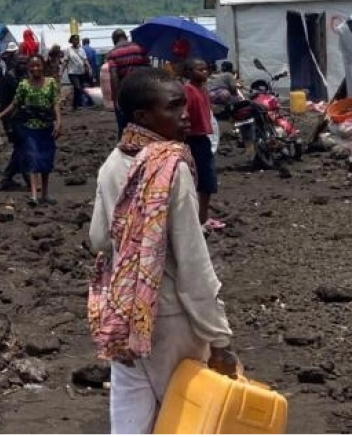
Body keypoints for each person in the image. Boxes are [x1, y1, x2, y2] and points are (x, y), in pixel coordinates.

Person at [88, 68, 237, 433]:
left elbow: (98, 240)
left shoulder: (113, 162)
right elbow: (192, 262)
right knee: (183, 419)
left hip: (123, 316)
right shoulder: (171, 168)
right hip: (170, 318)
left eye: (183, 105)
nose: (185, 115)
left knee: (131, 424)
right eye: (173, 108)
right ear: (142, 116)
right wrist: (219, 339)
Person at [0, 54, 61, 206]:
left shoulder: (50, 83)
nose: (35, 68)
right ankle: (34, 196)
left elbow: (55, 103)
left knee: (46, 161)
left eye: (38, 65)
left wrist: (58, 122)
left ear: (43, 66)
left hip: (46, 127)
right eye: (32, 66)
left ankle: (45, 194)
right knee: (33, 159)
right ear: (29, 69)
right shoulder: (23, 85)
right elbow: (14, 104)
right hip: (29, 127)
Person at [182, 58, 223, 231]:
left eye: (206, 69)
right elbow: (184, 113)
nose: (204, 72)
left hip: (203, 138)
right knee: (202, 180)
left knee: (206, 182)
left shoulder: (202, 90)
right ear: (189, 72)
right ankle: (199, 220)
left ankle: (202, 218)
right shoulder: (188, 90)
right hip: (193, 139)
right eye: (200, 69)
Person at [0, 53, 30, 192]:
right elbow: (4, 102)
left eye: (25, 63)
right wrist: (6, 125)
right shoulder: (9, 78)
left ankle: (8, 175)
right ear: (15, 63)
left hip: (27, 118)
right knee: (23, 148)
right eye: (20, 63)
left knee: (20, 148)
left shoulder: (27, 77)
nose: (23, 66)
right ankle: (27, 179)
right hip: (12, 118)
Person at [106, 29, 151, 138]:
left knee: (124, 126)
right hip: (141, 90)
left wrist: (116, 98)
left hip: (125, 93)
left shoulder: (112, 54)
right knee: (142, 123)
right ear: (125, 37)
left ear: (114, 40)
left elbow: (114, 76)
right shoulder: (139, 48)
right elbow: (148, 68)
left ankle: (125, 149)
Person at [64, 34, 92, 110]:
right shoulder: (68, 50)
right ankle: (77, 104)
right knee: (77, 87)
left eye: (77, 39)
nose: (76, 41)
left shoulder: (82, 50)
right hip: (72, 72)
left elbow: (85, 60)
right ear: (71, 41)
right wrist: (61, 71)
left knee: (79, 88)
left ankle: (75, 106)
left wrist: (89, 68)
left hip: (81, 72)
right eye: (75, 39)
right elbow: (65, 61)